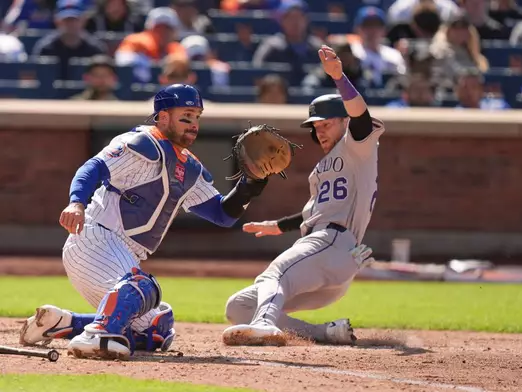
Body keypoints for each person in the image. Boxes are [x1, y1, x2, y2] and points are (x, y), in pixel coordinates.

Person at [18, 84, 269, 360]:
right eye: (186, 117)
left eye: (197, 116)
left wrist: (251, 184)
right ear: (162, 117)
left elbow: (223, 214)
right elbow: (93, 167)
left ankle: (63, 324)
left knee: (157, 327)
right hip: (94, 240)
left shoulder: (189, 166)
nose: (193, 124)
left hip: (122, 255)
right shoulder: (141, 143)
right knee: (143, 286)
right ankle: (97, 336)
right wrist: (76, 202)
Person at [222, 45, 383, 346]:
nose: (320, 131)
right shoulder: (324, 166)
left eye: (327, 124)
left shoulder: (356, 147)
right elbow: (316, 213)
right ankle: (326, 332)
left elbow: (361, 117)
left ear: (344, 122)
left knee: (275, 273)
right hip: (330, 255)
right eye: (316, 127)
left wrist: (339, 77)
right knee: (238, 307)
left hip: (332, 243)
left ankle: (265, 324)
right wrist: (278, 226)